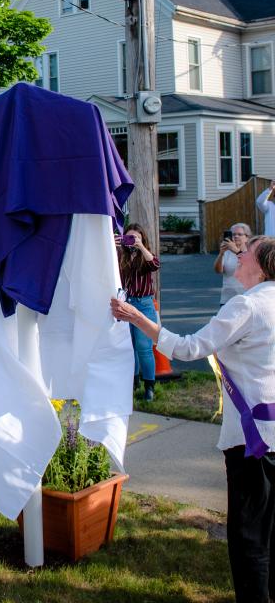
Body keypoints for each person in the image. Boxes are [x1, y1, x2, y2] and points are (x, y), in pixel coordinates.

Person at [110, 236, 275, 603]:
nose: (239, 252)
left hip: (254, 441)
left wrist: (139, 318)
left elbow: (188, 348)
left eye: (246, 251)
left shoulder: (245, 306)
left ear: (261, 265)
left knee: (250, 537)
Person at [115, 222, 161, 401]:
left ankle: (149, 386)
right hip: (126, 303)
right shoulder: (120, 255)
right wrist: (113, 245)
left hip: (144, 304)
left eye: (136, 238)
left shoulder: (145, 256)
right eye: (129, 237)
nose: (132, 241)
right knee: (129, 346)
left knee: (144, 347)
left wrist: (140, 246)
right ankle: (133, 383)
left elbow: (155, 265)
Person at [214, 223, 252, 303]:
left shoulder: (252, 252)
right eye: (233, 234)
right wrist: (221, 254)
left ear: (247, 237)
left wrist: (236, 251)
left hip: (247, 298)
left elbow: (251, 266)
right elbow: (218, 271)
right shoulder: (227, 252)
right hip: (228, 298)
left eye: (239, 234)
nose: (236, 236)